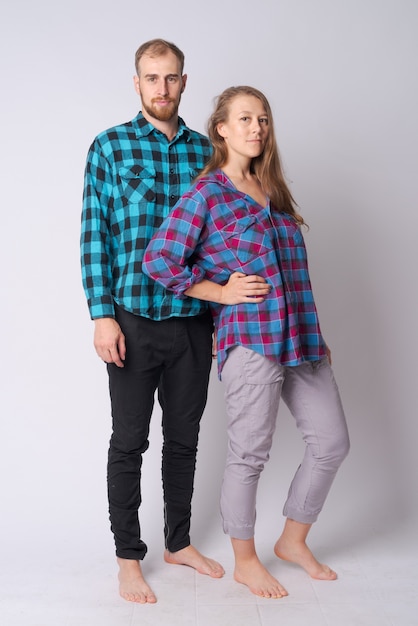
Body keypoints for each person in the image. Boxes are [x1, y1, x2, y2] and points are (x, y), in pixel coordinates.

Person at [143, 85, 350, 599]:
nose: (256, 127)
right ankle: (244, 559)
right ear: (222, 129)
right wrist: (218, 291)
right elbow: (159, 259)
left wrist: (316, 335)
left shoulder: (273, 189)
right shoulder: (206, 194)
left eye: (262, 118)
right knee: (249, 454)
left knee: (331, 442)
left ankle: (293, 540)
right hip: (252, 338)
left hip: (301, 337)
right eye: (244, 119)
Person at [79, 39, 256, 604]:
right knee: (129, 440)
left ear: (184, 82)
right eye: (151, 78)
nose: (162, 89)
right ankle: (129, 557)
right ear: (137, 83)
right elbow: (94, 236)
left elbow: (222, 238)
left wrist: (228, 308)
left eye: (171, 78)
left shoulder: (208, 152)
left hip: (193, 322)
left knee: (184, 440)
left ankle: (178, 542)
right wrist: (102, 316)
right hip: (131, 317)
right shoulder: (109, 147)